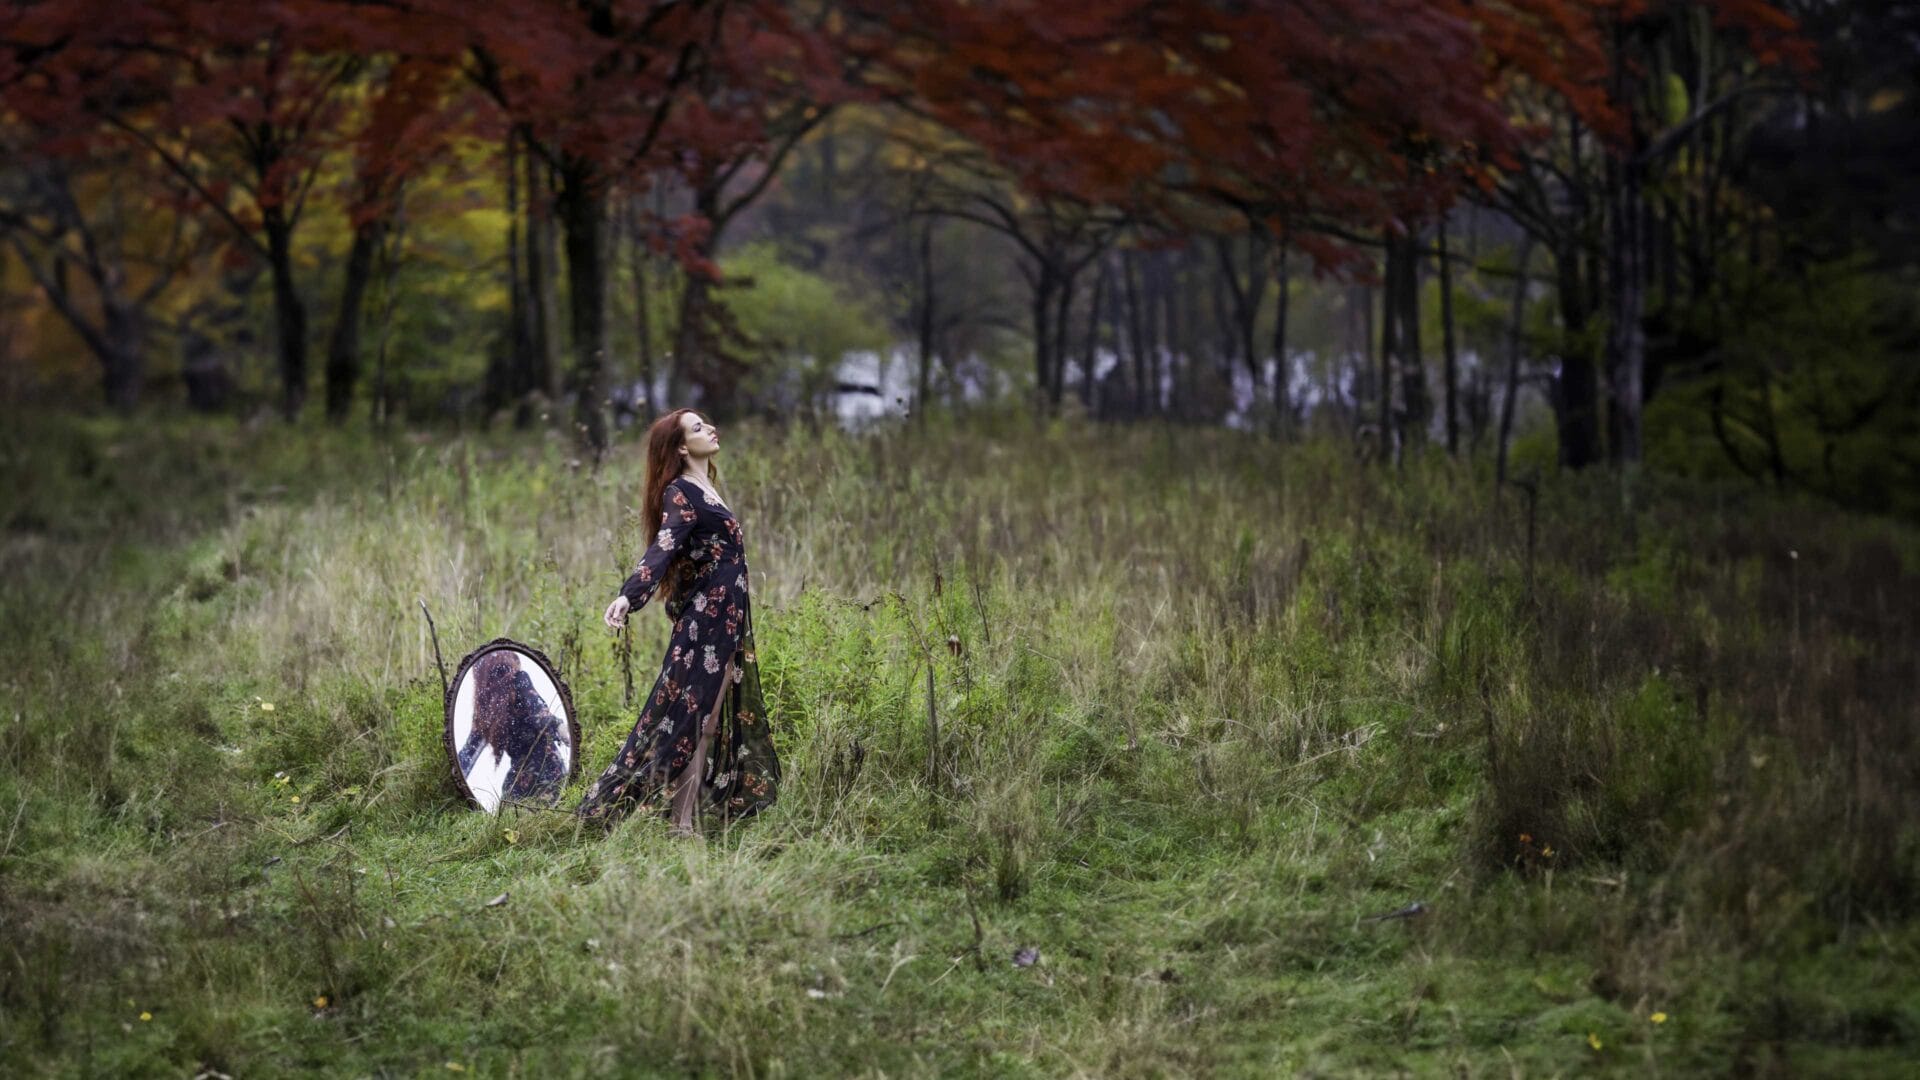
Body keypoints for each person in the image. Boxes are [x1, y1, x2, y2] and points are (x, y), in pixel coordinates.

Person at [576, 409, 780, 837]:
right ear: (682, 447)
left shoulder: (707, 488)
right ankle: (677, 824)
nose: (712, 428)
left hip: (726, 616)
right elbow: (663, 547)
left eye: (707, 422)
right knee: (695, 719)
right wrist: (628, 596)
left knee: (707, 721)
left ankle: (683, 822)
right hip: (706, 620)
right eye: (698, 428)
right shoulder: (680, 492)